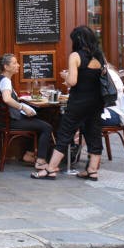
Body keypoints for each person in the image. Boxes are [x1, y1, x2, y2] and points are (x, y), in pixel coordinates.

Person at [32, 26, 105, 181]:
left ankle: (51, 169)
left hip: (78, 102)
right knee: (94, 134)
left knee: (64, 134)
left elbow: (73, 81)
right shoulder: (99, 56)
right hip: (96, 102)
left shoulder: (75, 56)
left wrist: (66, 76)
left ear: (77, 40)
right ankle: (92, 170)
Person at [0, 53, 52, 170]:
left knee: (37, 122)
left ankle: (29, 155)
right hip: (11, 122)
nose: (18, 65)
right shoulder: (6, 81)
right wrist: (22, 107)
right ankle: (40, 161)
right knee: (46, 127)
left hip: (3, 121)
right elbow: (7, 98)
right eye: (14, 63)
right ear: (6, 67)